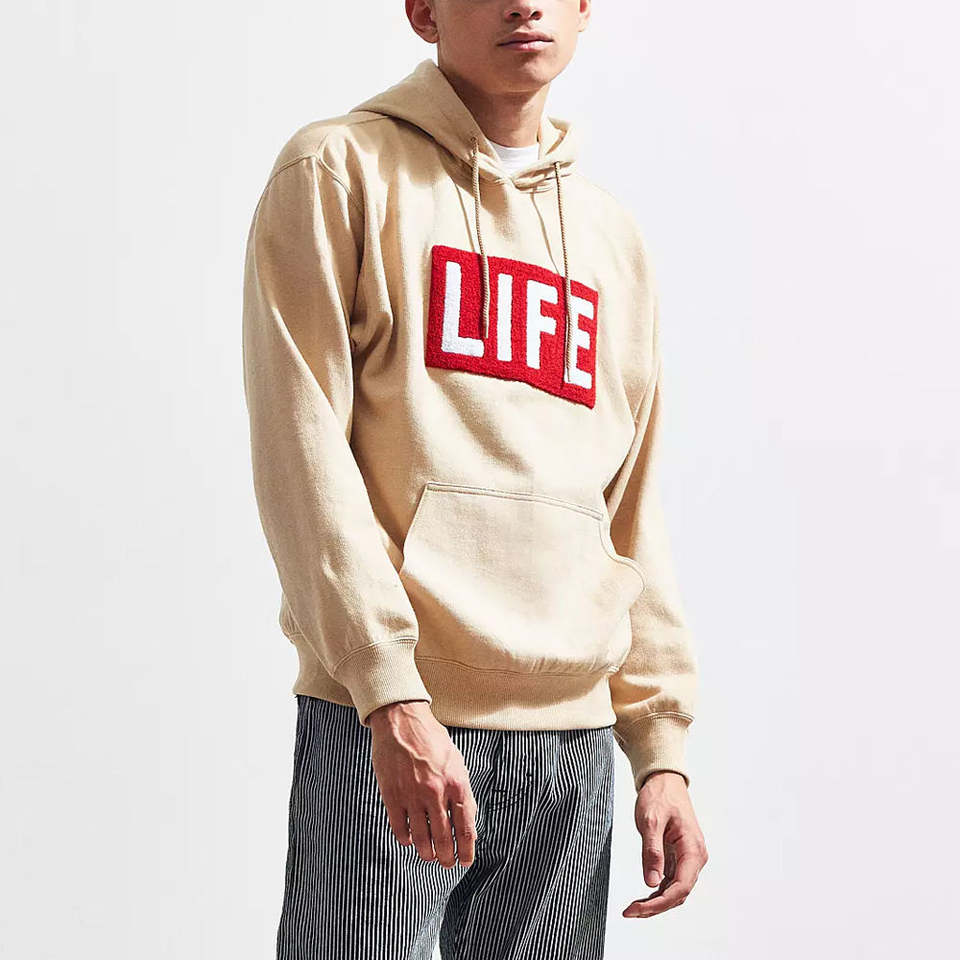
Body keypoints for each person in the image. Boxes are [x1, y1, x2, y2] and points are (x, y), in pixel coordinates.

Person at [241, 1, 708, 956]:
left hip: (572, 741)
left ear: (585, 10)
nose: (524, 4)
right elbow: (302, 455)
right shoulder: (338, 172)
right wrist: (388, 694)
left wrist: (661, 747)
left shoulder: (612, 241)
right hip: (390, 720)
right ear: (424, 11)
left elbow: (628, 506)